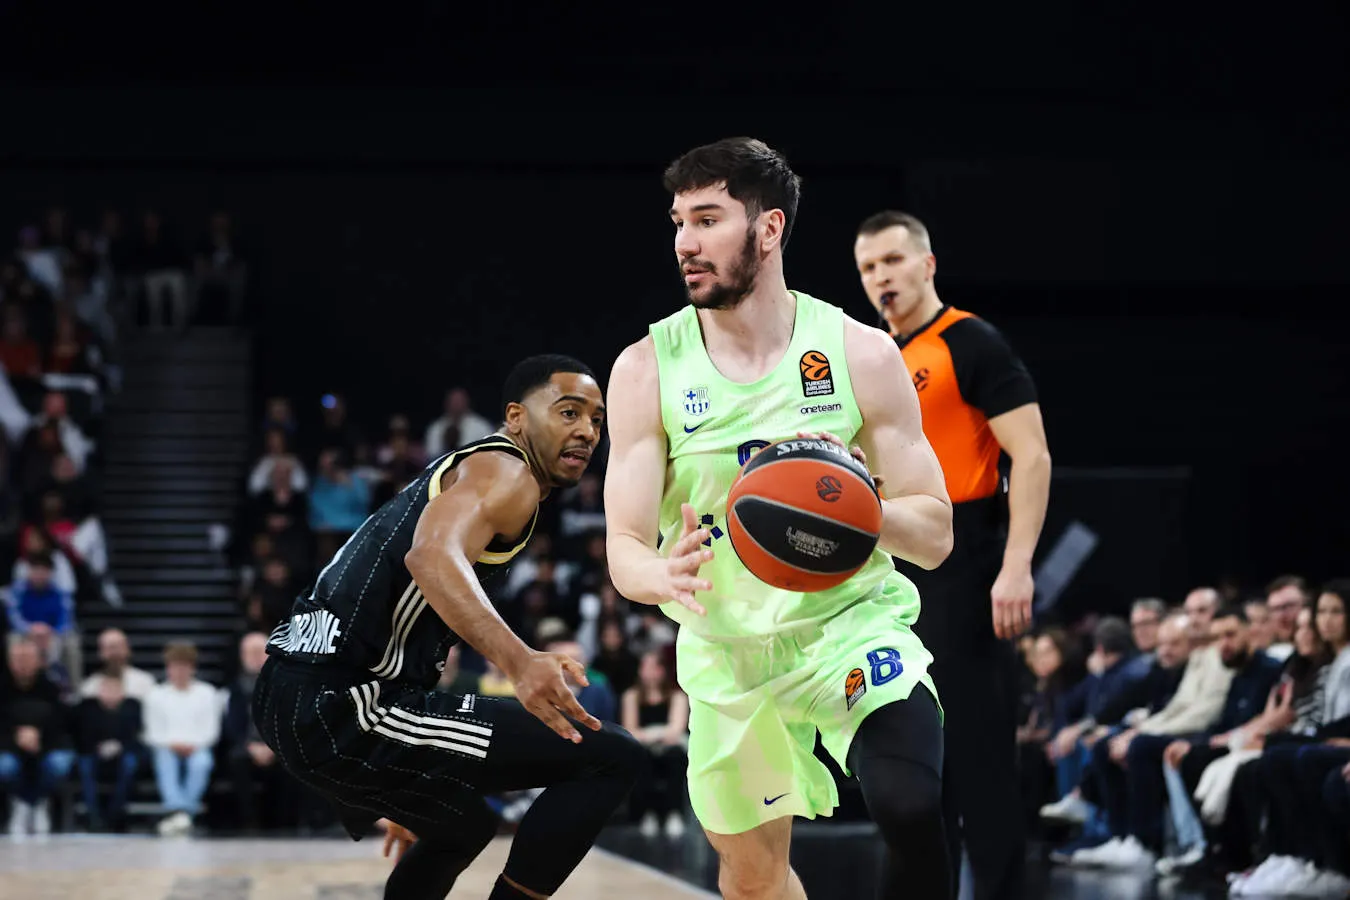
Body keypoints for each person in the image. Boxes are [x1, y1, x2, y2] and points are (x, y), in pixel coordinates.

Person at [604, 136, 956, 900]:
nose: (684, 243)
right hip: (727, 653)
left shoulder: (860, 354)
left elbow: (935, 535)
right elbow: (624, 548)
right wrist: (659, 574)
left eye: (707, 220)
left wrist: (862, 506)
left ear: (769, 229)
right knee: (754, 881)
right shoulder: (644, 368)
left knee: (910, 803)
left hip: (847, 628)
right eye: (678, 223)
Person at [252, 354, 644, 900]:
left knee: (461, 826)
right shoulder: (508, 472)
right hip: (343, 704)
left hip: (301, 689)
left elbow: (413, 613)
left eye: (597, 420)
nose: (586, 431)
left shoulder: (474, 469)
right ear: (516, 417)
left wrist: (398, 776)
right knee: (613, 756)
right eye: (568, 412)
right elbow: (431, 557)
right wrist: (520, 662)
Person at [853, 210, 1052, 900]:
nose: (882, 277)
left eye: (893, 260)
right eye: (869, 267)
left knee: (979, 754)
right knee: (913, 757)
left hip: (968, 561)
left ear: (927, 264)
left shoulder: (970, 341)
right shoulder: (874, 360)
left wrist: (1016, 565)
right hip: (893, 562)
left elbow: (1032, 456)